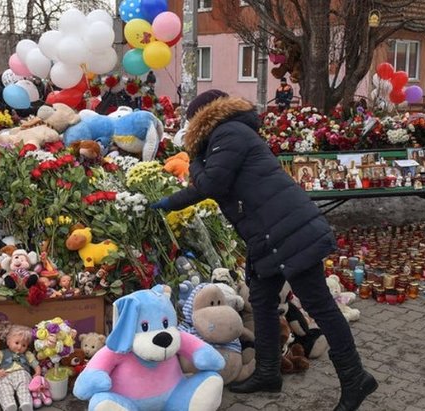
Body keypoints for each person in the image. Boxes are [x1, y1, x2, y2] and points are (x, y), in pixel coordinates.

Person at [150, 89, 378, 411]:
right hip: (268, 234)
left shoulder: (228, 133)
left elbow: (211, 184)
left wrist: (191, 165)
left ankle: (355, 378)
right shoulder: (228, 134)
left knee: (321, 305)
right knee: (262, 299)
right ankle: (268, 371)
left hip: (289, 231)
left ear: (201, 120)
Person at [0, 325, 40, 411]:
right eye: (17, 343)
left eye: (24, 345)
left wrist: (37, 373)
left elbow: (35, 364)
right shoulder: (1, 353)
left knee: (24, 388)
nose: (20, 347)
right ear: (8, 342)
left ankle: (26, 404)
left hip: (22, 373)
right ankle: (9, 405)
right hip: (4, 374)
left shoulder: (27, 354)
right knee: (3, 387)